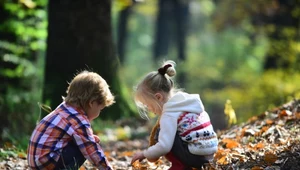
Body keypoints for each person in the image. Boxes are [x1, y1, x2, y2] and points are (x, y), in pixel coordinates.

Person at [130, 60, 219, 170]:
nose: (148, 109)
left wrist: (144, 154)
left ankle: (180, 167)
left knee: (160, 133)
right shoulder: (188, 102)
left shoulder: (169, 114)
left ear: (158, 97)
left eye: (148, 105)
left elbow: (164, 146)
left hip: (195, 156)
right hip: (210, 154)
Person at [27, 70, 115, 170]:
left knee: (87, 140)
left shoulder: (64, 108)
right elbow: (92, 150)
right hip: (48, 164)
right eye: (100, 109)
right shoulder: (79, 119)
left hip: (36, 163)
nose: (99, 113)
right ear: (92, 103)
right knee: (88, 145)